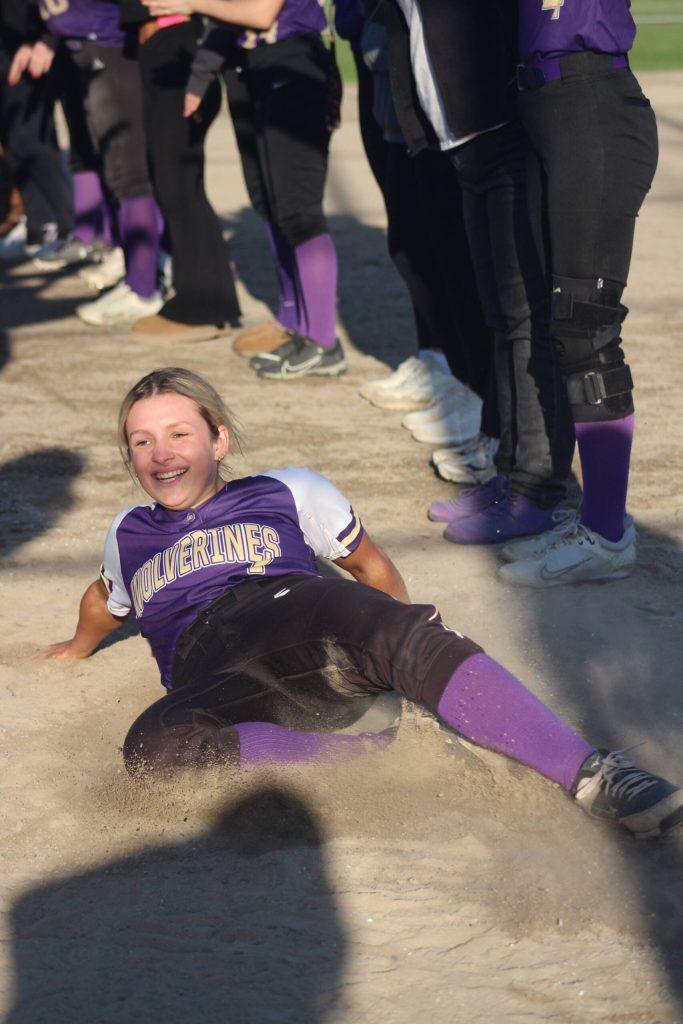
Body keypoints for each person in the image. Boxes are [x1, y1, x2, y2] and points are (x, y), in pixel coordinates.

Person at [34, 367, 683, 840]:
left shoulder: (287, 488)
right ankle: (369, 751)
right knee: (153, 750)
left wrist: (396, 650)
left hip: (287, 610)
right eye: (142, 442)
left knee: (380, 627)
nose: (161, 453)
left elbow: (368, 566)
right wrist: (77, 645)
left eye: (179, 433)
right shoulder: (127, 533)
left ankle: (595, 774)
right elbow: (105, 601)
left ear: (219, 440)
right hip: (213, 676)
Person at [498, 1, 658, 586]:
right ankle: (594, 518)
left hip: (593, 102)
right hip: (545, 108)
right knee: (559, 326)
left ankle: (608, 534)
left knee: (584, 326)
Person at [144, 0, 345, 379]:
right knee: (270, 203)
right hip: (256, 69)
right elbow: (227, 19)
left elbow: (259, 13)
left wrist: (189, 3)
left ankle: (323, 342)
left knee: (300, 211)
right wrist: (199, 77)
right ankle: (296, 325)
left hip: (294, 64)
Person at [8, 0, 164, 327]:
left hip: (108, 45)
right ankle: (127, 266)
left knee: (129, 172)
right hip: (81, 47)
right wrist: (47, 38)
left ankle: (144, 286)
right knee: (105, 162)